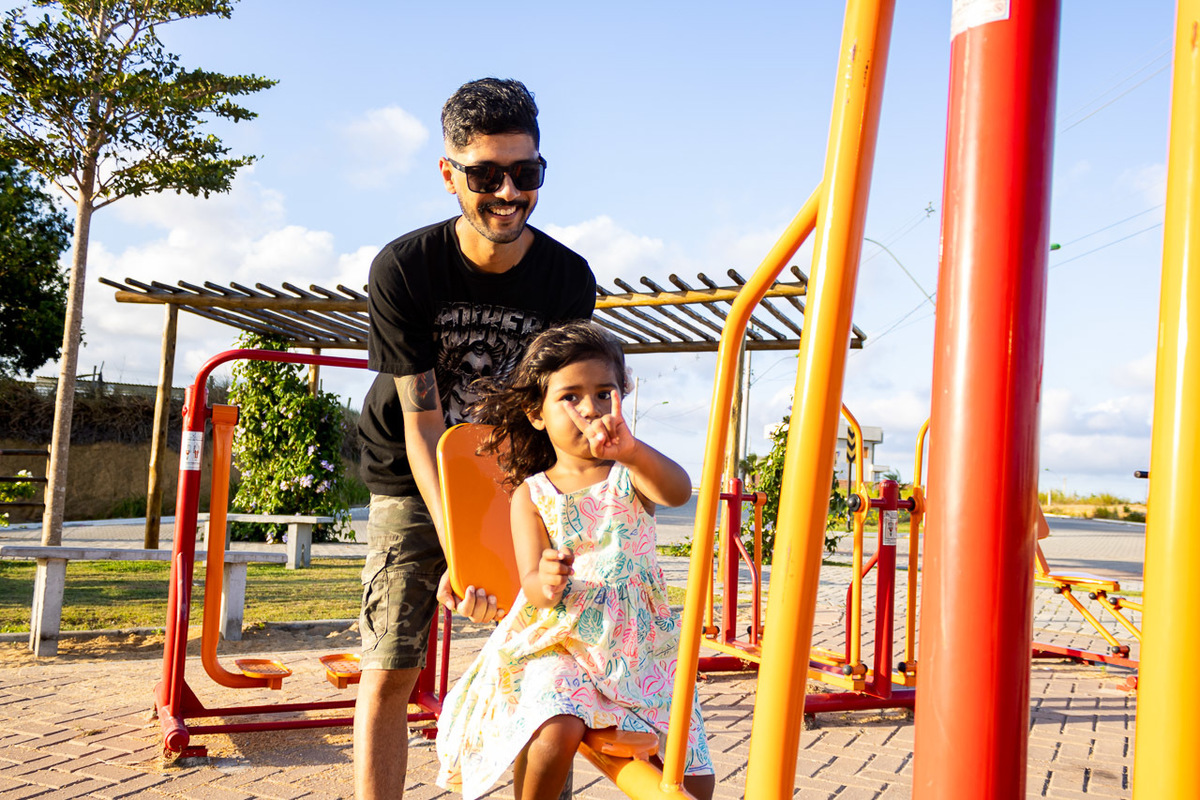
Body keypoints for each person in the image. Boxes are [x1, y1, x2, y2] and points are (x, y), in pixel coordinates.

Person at [354, 78, 597, 800]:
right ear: (448, 173)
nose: (507, 192)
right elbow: (425, 422)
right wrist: (460, 552)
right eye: (486, 175)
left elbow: (556, 413)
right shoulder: (404, 269)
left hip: (512, 473)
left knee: (533, 659)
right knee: (391, 664)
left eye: (526, 174)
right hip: (412, 469)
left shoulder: (565, 279)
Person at [435, 322, 715, 800]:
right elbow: (534, 586)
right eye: (571, 396)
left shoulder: (631, 475)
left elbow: (677, 490)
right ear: (537, 413)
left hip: (640, 648)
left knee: (693, 781)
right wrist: (548, 578)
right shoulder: (532, 494)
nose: (591, 409)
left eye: (604, 393)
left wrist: (632, 451)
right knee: (554, 729)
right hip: (565, 640)